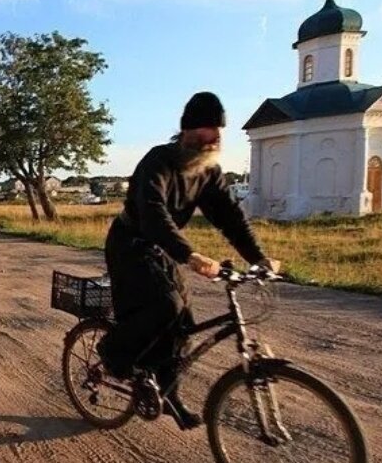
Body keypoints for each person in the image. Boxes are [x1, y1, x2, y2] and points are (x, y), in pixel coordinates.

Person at [98, 92, 280, 430]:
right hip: (131, 244)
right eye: (204, 134)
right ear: (186, 132)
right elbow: (154, 215)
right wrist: (191, 255)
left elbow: (231, 218)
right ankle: (113, 351)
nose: (211, 141)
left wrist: (259, 258)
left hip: (163, 250)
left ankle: (168, 394)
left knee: (184, 324)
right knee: (164, 307)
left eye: (217, 135)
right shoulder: (159, 162)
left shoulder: (208, 173)